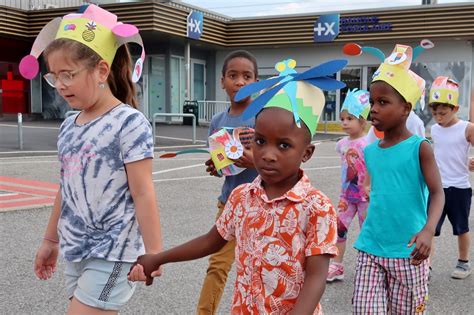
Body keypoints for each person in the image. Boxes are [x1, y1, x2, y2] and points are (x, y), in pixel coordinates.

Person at [129, 61, 348, 313]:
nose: (267, 154)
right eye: (260, 141)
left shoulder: (317, 207)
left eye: (283, 145)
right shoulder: (242, 197)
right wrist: (157, 257)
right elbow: (210, 242)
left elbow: (316, 277)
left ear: (306, 153)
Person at [21, 5, 162, 314]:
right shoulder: (69, 125)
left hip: (114, 251)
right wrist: (50, 240)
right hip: (76, 249)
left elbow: (143, 191)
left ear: (101, 70)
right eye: (53, 76)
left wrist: (154, 253)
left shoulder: (130, 123)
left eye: (68, 75)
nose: (59, 85)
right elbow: (66, 187)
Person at [352, 44, 444, 314]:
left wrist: (428, 230)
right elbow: (378, 186)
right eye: (372, 102)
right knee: (366, 310)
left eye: (383, 102)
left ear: (405, 108)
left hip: (409, 251)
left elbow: (437, 192)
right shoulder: (369, 151)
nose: (374, 109)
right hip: (371, 245)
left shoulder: (420, 147)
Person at [194, 50, 259, 315]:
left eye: (247, 76)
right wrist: (215, 167)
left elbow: (278, 161)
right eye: (233, 76)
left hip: (261, 207)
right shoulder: (218, 121)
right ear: (222, 81)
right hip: (229, 205)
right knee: (218, 266)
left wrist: (254, 161)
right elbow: (222, 165)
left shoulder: (264, 116)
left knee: (257, 268)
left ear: (256, 81)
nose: (240, 82)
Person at [428, 76, 473, 279]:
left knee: (461, 228)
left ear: (455, 108)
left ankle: (464, 263)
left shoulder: (467, 128)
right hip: (437, 188)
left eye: (443, 113)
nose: (439, 117)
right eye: (435, 113)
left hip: (460, 187)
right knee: (430, 228)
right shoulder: (435, 130)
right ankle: (425, 264)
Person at [327, 89, 370, 282]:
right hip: (346, 197)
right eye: (342, 118)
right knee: (339, 229)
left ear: (362, 120)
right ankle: (337, 266)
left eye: (350, 118)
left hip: (365, 198)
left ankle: (369, 267)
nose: (344, 122)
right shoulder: (342, 143)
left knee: (367, 232)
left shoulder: (369, 143)